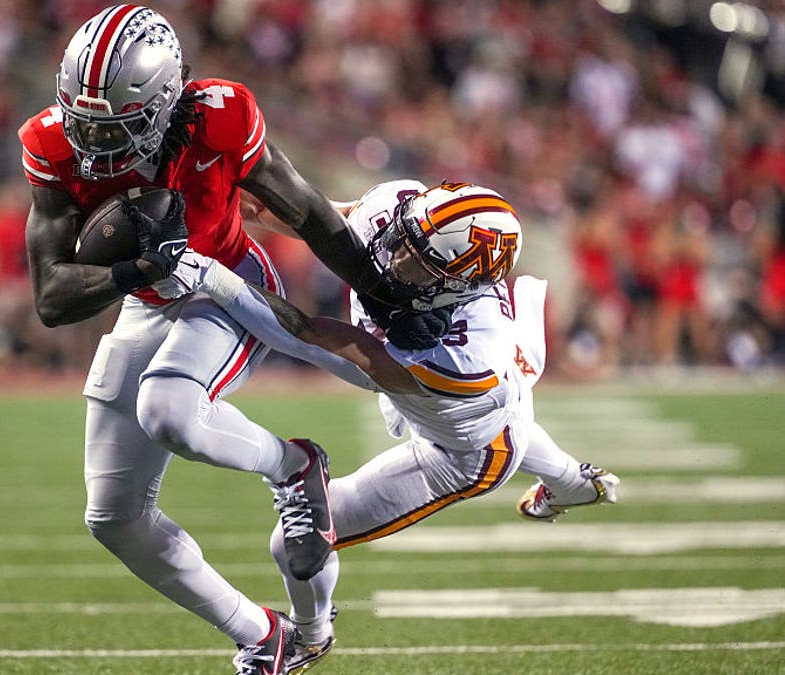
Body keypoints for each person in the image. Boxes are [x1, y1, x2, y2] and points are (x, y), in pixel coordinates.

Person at [17, 7, 443, 674]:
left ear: (162, 102)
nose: (93, 140)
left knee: (168, 410)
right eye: (84, 120)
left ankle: (295, 466)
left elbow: (305, 209)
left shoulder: (220, 116)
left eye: (113, 125)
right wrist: (136, 269)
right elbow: (50, 297)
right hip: (148, 298)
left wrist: (383, 295)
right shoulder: (49, 143)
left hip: (227, 285)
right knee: (113, 517)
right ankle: (261, 633)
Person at [164, 180, 621, 673]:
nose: (396, 255)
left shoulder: (466, 354)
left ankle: (309, 636)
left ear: (459, 286)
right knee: (507, 417)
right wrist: (217, 211)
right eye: (406, 237)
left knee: (292, 539)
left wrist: (208, 274)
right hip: (485, 402)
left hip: (464, 450)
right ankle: (573, 481)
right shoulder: (396, 211)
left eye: (421, 263)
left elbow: (312, 337)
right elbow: (314, 221)